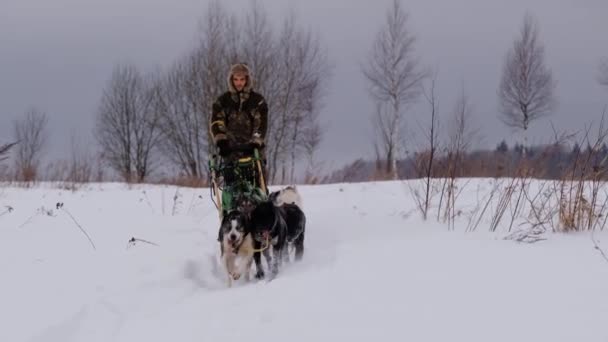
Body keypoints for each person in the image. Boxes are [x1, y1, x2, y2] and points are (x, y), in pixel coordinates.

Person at [209, 63, 269, 209]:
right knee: (231, 189)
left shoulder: (257, 101)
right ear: (231, 80)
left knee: (258, 189)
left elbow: (261, 124)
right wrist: (221, 141)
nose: (239, 83)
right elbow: (217, 121)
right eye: (236, 79)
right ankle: (231, 217)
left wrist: (256, 141)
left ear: (247, 80)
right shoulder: (223, 101)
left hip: (252, 151)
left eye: (242, 79)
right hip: (230, 151)